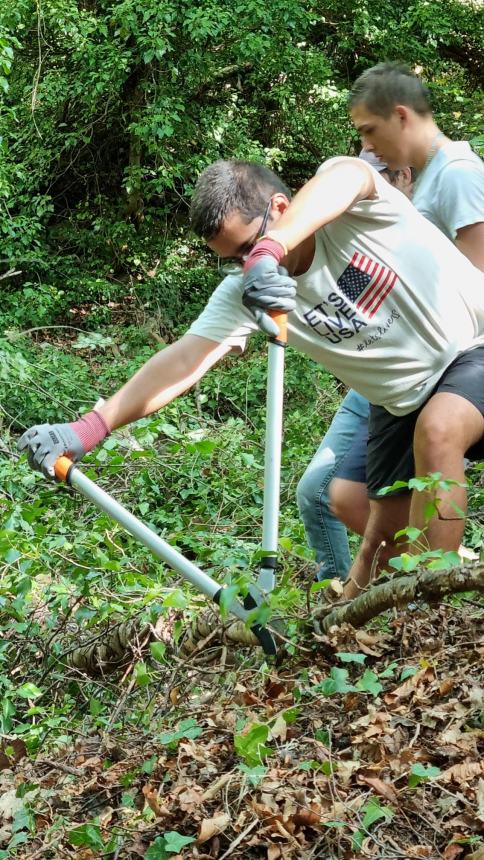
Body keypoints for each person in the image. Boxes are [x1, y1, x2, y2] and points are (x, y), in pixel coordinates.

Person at [18, 157, 484, 601]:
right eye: (234, 259)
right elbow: (183, 362)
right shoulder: (248, 290)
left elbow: (348, 175)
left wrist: (268, 251)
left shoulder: (354, 210)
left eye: (246, 247)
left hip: (473, 346)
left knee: (439, 429)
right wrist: (89, 428)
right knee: (381, 542)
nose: (245, 266)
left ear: (279, 208)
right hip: (401, 400)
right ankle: (344, 638)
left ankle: (435, 612)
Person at [324, 62, 484, 569]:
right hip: (410, 365)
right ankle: (423, 578)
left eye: (370, 131)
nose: (367, 147)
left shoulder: (457, 176)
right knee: (346, 496)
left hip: (454, 363)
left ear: (400, 116)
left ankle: (432, 591)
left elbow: (478, 282)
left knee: (437, 438)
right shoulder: (418, 182)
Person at [296, 149, 413, 582]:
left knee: (335, 493)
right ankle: (343, 595)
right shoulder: (351, 234)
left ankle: (424, 582)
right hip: (370, 387)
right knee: (317, 492)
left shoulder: (422, 219)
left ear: (401, 174)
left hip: (426, 383)